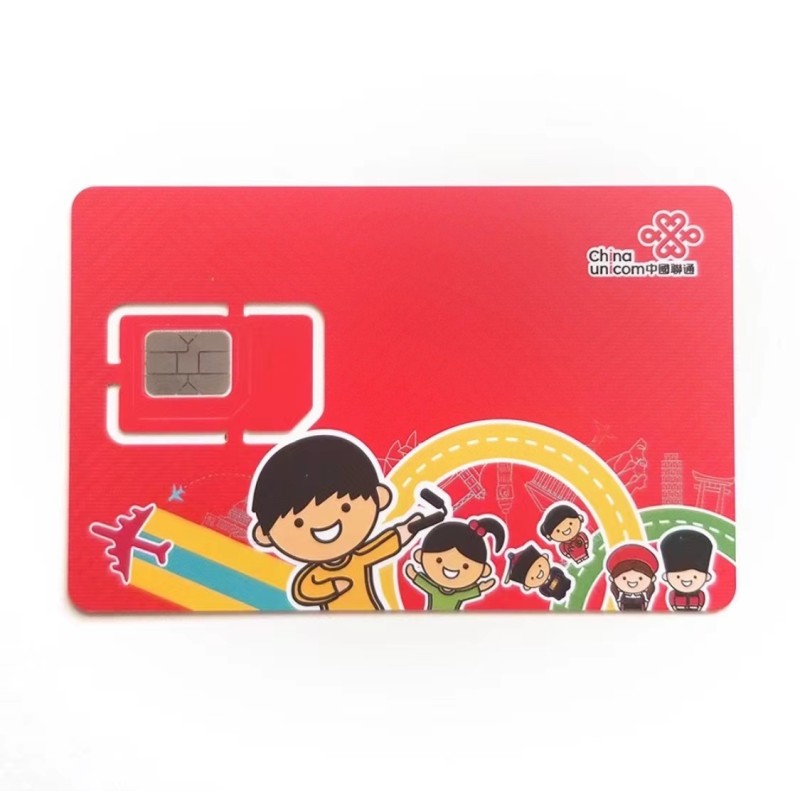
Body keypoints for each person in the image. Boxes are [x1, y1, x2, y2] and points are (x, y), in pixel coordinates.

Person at [248, 431, 422, 611]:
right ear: (265, 535)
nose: (324, 524)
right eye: (299, 522)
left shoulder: (360, 557)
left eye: (345, 508)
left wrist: (411, 526)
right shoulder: (317, 573)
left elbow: (386, 543)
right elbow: (303, 591)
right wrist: (332, 587)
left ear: (380, 497)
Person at [405, 516, 505, 610]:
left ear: (484, 571)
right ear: (419, 556)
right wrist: (413, 574)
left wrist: (413, 574)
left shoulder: (458, 595)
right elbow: (424, 582)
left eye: (465, 566)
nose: (451, 566)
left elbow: (474, 591)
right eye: (439, 560)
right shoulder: (434, 589)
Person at [660, 528, 714, 612]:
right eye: (678, 576)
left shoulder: (700, 595)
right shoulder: (673, 595)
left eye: (695, 576)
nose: (686, 579)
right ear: (666, 576)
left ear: (707, 577)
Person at [503, 542, 571, 601]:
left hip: (565, 582)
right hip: (557, 595)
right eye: (532, 578)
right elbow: (547, 594)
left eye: (539, 565)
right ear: (527, 586)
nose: (538, 573)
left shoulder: (554, 570)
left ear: (545, 557)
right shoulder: (543, 589)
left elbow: (560, 573)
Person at [605, 543, 659, 611]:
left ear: (653, 579)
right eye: (624, 578)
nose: (632, 582)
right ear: (612, 578)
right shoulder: (622, 597)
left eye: (640, 578)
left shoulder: (643, 597)